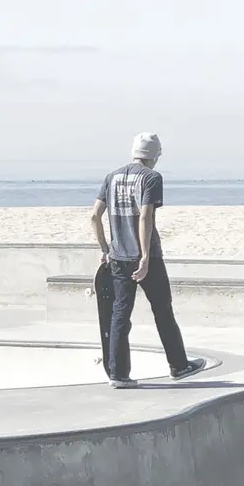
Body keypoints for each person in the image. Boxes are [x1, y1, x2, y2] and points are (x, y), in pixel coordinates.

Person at [90, 132, 206, 388]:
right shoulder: (151, 178)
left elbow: (94, 216)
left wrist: (104, 248)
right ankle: (179, 365)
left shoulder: (112, 177)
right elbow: (145, 217)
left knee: (120, 313)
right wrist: (144, 257)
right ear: (155, 155)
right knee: (163, 310)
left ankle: (118, 374)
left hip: (118, 256)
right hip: (147, 257)